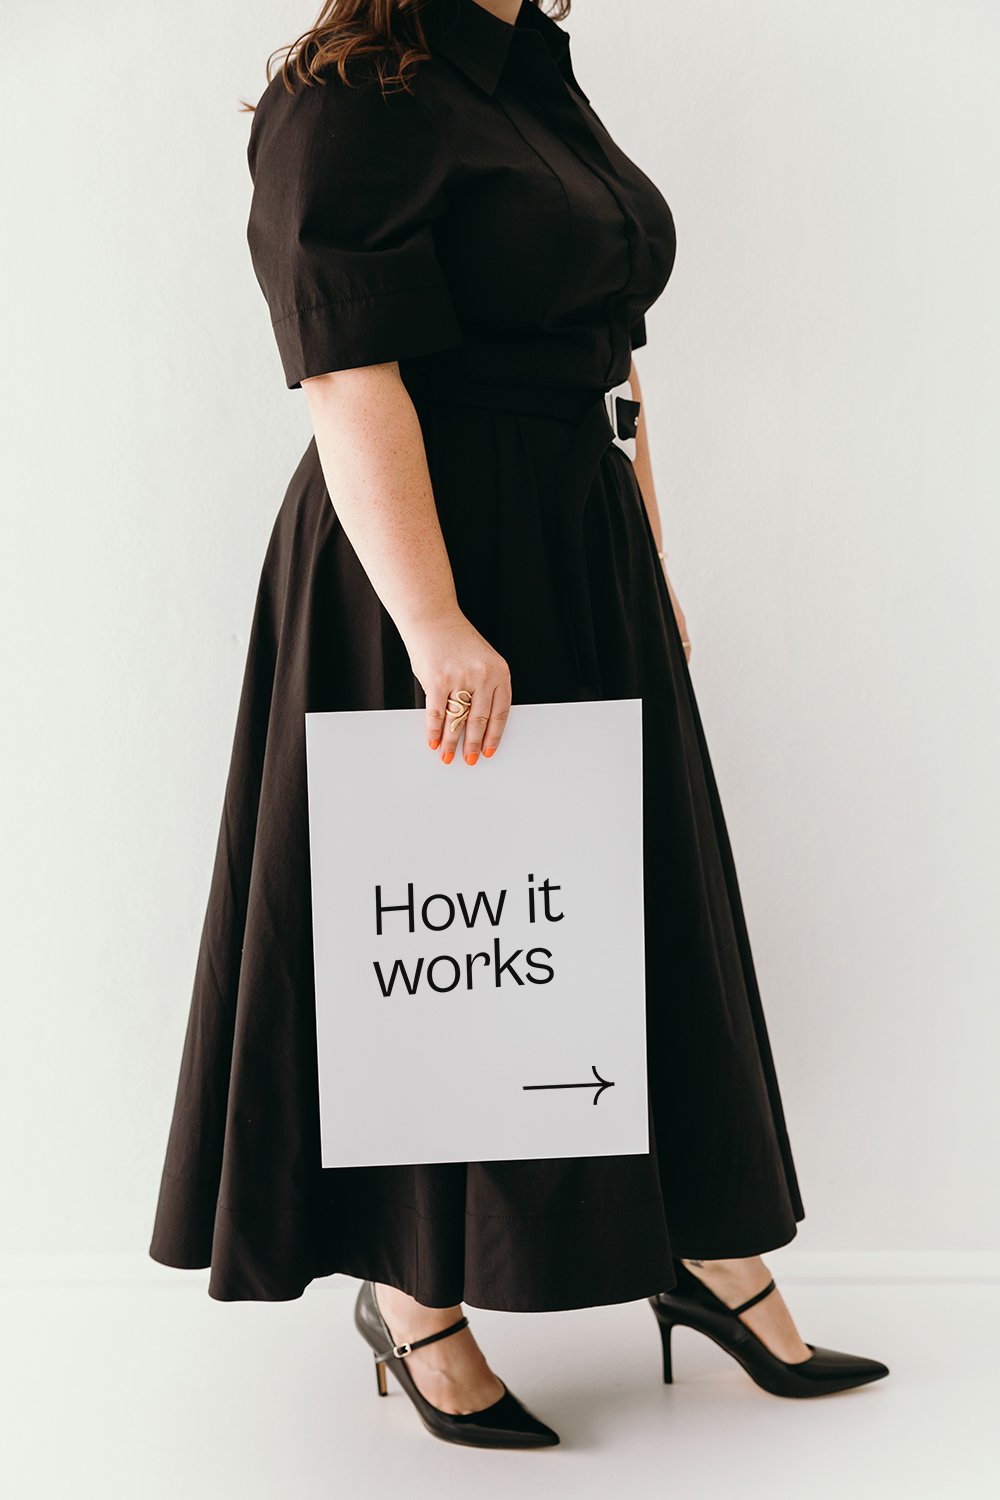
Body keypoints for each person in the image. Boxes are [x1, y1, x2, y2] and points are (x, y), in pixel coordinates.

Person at [148, 0, 889, 1449]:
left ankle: (700, 1249)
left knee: (609, 913)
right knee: (432, 936)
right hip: (426, 555)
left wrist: (651, 567)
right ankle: (418, 1298)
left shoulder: (533, 74)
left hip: (577, 544)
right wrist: (432, 622)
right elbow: (346, 366)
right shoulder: (350, 91)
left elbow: (611, 362)